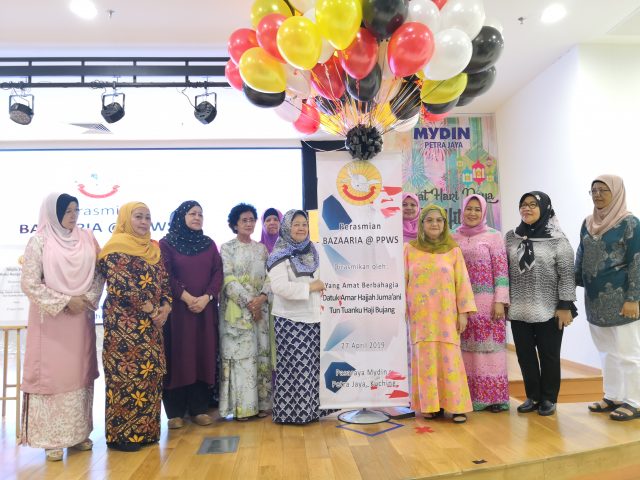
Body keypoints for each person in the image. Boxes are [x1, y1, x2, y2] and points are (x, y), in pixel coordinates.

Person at [20, 193, 104, 462]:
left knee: (79, 373)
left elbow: (100, 272)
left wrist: (86, 299)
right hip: (51, 322)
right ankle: (51, 440)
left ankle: (78, 434)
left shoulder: (87, 238)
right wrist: (66, 300)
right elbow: (30, 283)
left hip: (80, 319)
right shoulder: (39, 241)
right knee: (52, 376)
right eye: (67, 211)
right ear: (53, 213)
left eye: (76, 210)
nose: (73, 216)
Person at [97, 202, 172, 452]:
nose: (143, 222)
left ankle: (147, 431)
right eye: (138, 217)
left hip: (152, 326)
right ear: (125, 219)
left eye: (147, 217)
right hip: (124, 325)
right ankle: (122, 436)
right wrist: (152, 310)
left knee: (150, 375)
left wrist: (166, 307)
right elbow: (123, 285)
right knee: (125, 377)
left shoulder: (153, 249)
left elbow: (164, 283)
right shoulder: (113, 249)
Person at [505, 191, 576, 417]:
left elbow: (567, 275)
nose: (527, 208)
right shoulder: (512, 237)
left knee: (549, 355)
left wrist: (565, 306)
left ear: (544, 208)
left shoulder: (558, 239)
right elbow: (504, 270)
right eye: (523, 204)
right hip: (519, 308)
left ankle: (548, 398)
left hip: (549, 308)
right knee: (524, 356)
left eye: (532, 204)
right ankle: (533, 396)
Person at [576, 175, 640, 421]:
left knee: (628, 354)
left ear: (617, 192)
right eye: (593, 190)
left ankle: (635, 401)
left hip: (623, 301)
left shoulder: (630, 224)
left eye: (604, 190)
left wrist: (633, 297)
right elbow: (581, 255)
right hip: (594, 300)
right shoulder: (588, 223)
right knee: (606, 351)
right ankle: (613, 395)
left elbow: (637, 262)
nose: (598, 195)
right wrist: (573, 284)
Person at [404, 204, 476, 423]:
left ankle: (456, 406)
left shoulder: (453, 250)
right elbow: (402, 282)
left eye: (439, 220)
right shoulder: (409, 250)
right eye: (429, 220)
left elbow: (462, 282)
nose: (434, 224)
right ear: (422, 224)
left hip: (446, 317)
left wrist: (463, 313)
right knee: (425, 360)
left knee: (450, 359)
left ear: (445, 224)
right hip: (420, 318)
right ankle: (431, 406)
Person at [267, 210, 337, 424]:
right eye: (296, 224)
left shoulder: (314, 250)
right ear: (287, 227)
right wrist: (310, 287)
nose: (301, 228)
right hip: (290, 319)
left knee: (313, 368)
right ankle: (293, 414)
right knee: (296, 369)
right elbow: (279, 287)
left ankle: (312, 412)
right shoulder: (279, 254)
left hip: (315, 318)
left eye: (304, 224)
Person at [159, 201, 223, 429]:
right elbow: (165, 275)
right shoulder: (166, 244)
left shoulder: (209, 244)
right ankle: (175, 412)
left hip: (204, 311)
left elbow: (218, 272)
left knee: (202, 355)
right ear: (180, 217)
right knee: (178, 355)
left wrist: (207, 297)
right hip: (178, 313)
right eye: (192, 213)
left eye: (200, 214)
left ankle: (199, 409)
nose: (197, 217)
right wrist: (186, 297)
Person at [453, 194, 510, 412]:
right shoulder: (453, 236)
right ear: (463, 210)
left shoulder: (494, 236)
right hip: (462, 304)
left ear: (484, 212)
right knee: (465, 351)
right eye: (469, 208)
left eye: (477, 209)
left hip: (488, 305)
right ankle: (468, 397)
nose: (473, 213)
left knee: (490, 352)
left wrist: (500, 300)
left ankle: (494, 399)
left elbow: (501, 270)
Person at [219, 203, 271, 421]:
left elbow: (270, 277)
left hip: (260, 312)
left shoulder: (262, 249)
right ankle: (243, 409)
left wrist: (262, 299)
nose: (249, 224)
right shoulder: (227, 248)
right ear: (235, 224)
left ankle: (263, 404)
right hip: (237, 313)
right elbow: (228, 279)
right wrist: (250, 303)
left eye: (252, 220)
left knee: (261, 356)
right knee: (241, 359)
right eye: (244, 220)